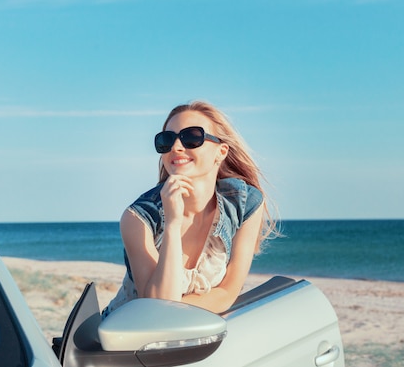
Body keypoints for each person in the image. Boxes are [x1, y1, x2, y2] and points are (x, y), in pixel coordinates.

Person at [101, 101, 277, 317]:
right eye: (166, 140)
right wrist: (173, 225)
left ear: (221, 152)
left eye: (192, 137)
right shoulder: (138, 218)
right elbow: (157, 310)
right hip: (124, 337)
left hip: (192, 332)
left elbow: (227, 293)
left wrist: (178, 309)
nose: (176, 147)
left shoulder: (244, 203)